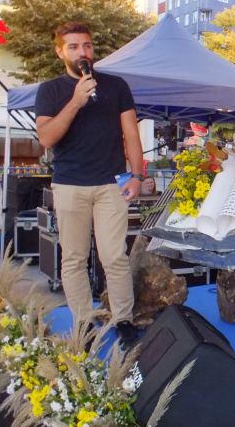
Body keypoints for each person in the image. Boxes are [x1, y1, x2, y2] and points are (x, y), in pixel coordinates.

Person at [35, 22, 143, 343]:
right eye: (73, 47)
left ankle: (123, 319)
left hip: (111, 184)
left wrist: (137, 175)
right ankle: (84, 323)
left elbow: (131, 134)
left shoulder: (116, 86)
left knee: (115, 257)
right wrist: (75, 101)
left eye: (87, 45)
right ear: (60, 52)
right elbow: (46, 138)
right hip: (69, 185)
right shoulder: (50, 91)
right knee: (74, 259)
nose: (82, 52)